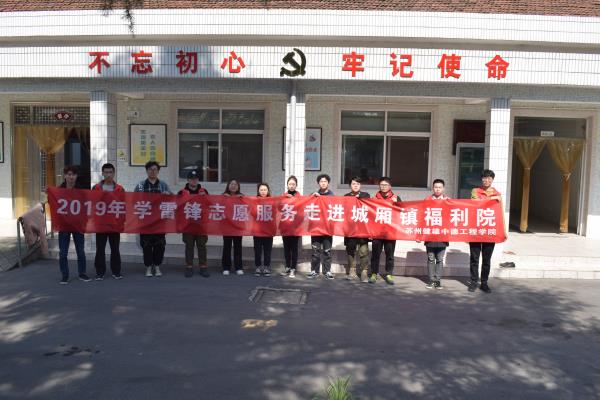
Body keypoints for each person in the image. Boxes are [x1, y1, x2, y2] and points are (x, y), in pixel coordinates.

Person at [133, 161, 172, 278]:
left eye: (155, 169)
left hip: (160, 222)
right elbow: (134, 201)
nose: (153, 171)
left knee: (160, 245)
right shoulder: (140, 186)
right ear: (146, 171)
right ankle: (148, 267)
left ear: (158, 171)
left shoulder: (163, 185)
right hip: (145, 222)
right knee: (147, 245)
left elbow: (172, 200)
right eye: (150, 169)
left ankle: (157, 266)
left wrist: (169, 195)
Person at [468, 169, 502, 294]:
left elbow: (499, 211)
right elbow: (476, 203)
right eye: (484, 178)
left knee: (486, 260)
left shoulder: (497, 193)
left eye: (489, 178)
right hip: (476, 230)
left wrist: (496, 198)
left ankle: (484, 283)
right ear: (481, 179)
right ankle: (473, 282)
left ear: (492, 180)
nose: (486, 180)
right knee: (474, 258)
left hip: (489, 231)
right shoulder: (475, 191)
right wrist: (493, 199)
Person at [57, 165, 90, 284]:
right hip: (64, 225)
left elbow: (86, 206)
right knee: (63, 253)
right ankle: (65, 275)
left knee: (80, 251)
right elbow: (54, 205)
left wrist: (85, 221)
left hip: (78, 224)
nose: (71, 177)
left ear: (76, 176)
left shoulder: (81, 190)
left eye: (73, 174)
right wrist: (49, 194)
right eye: (69, 174)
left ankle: (82, 273)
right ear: (65, 176)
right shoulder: (58, 190)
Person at [92, 163, 125, 280]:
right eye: (106, 172)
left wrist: (122, 222)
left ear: (114, 173)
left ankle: (116, 271)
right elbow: (92, 204)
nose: (108, 175)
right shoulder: (96, 188)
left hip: (114, 224)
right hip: (101, 224)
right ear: (102, 173)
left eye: (110, 172)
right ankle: (100, 272)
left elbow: (123, 205)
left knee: (115, 249)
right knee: (100, 249)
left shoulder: (120, 189)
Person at [178, 170, 210, 278]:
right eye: (191, 179)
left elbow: (209, 205)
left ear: (198, 180)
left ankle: (203, 267)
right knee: (189, 246)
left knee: (202, 246)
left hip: (201, 224)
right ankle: (189, 267)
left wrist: (205, 197)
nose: (194, 181)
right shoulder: (182, 192)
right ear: (188, 180)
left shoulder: (204, 191)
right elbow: (177, 208)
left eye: (195, 178)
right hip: (187, 225)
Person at [370, 177, 401, 285]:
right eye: (382, 185)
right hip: (377, 232)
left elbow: (402, 213)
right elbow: (370, 215)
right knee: (375, 254)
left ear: (390, 186)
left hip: (390, 232)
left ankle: (389, 274)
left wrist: (396, 204)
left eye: (386, 185)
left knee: (390, 254)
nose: (383, 187)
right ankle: (374, 273)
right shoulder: (374, 198)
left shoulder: (396, 198)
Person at [422, 179, 449, 290]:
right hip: (430, 234)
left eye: (440, 187)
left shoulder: (448, 201)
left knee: (440, 259)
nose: (437, 189)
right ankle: (431, 280)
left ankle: (437, 280)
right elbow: (421, 217)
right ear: (433, 188)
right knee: (431, 258)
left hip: (442, 234)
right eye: (436, 187)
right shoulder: (427, 200)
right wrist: (419, 235)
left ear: (443, 189)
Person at [307, 174, 335, 280]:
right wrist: (311, 196)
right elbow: (306, 205)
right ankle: (314, 270)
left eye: (325, 181)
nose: (323, 183)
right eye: (321, 181)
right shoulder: (314, 195)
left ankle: (327, 271)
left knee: (327, 251)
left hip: (328, 228)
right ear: (318, 183)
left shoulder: (332, 196)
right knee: (315, 251)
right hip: (316, 228)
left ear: (328, 183)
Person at [344, 177, 370, 282]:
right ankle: (352, 270)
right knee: (350, 249)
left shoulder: (366, 195)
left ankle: (364, 272)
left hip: (363, 228)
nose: (355, 185)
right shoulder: (346, 197)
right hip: (350, 228)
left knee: (363, 251)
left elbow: (369, 207)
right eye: (353, 184)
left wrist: (360, 199)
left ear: (360, 185)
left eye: (358, 184)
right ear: (350, 185)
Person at [222, 178, 244, 276]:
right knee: (227, 247)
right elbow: (218, 208)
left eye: (235, 184)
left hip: (238, 226)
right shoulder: (223, 196)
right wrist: (224, 199)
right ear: (228, 186)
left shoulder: (242, 197)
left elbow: (248, 209)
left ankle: (238, 267)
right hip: (226, 226)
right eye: (231, 184)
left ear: (238, 186)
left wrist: (242, 199)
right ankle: (226, 267)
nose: (233, 186)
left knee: (238, 247)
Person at [281, 176, 301, 278]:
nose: (291, 186)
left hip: (295, 228)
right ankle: (287, 266)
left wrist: (293, 199)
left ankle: (293, 268)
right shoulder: (283, 196)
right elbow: (278, 208)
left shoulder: (299, 197)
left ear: (296, 185)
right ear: (287, 185)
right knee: (286, 248)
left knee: (294, 248)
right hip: (285, 227)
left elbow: (302, 209)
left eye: (293, 184)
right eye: (290, 184)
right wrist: (285, 199)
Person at [253, 183, 274, 277]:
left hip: (268, 231)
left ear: (268, 191)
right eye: (261, 190)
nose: (263, 192)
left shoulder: (272, 201)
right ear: (258, 191)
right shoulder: (254, 201)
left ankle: (266, 267)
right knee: (257, 250)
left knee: (267, 250)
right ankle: (257, 267)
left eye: (265, 190)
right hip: (257, 230)